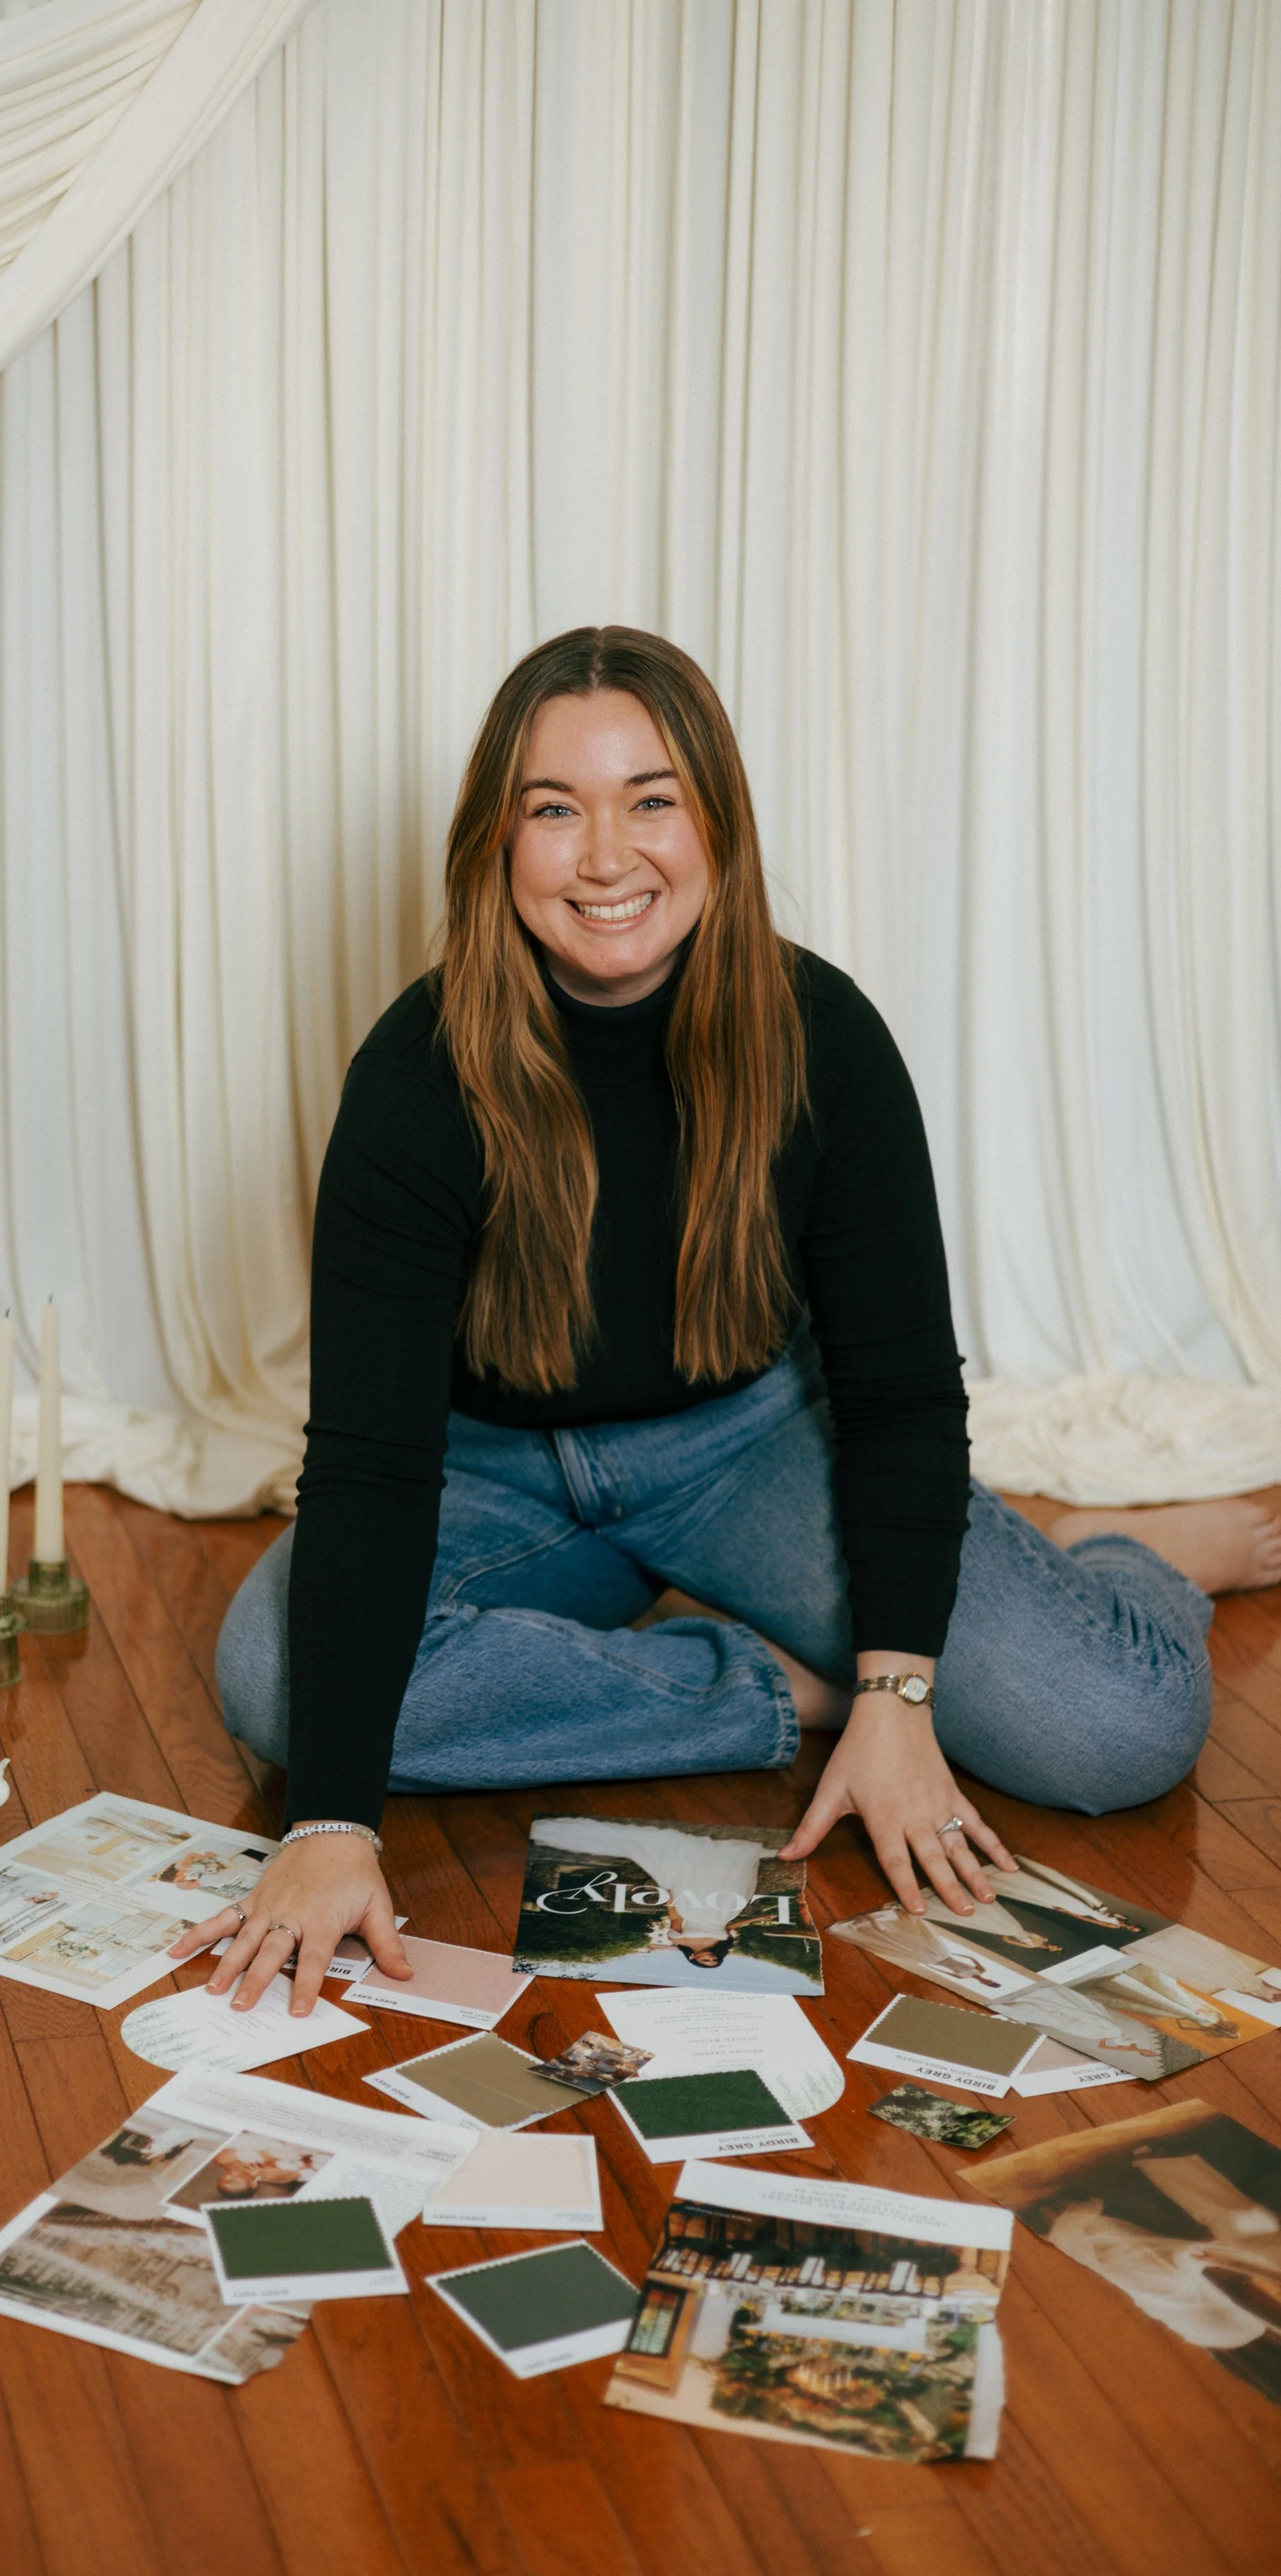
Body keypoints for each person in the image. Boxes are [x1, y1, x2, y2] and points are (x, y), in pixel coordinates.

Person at [173, 627, 1281, 2015]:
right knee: (274, 1683)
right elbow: (370, 1465)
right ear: (493, 843)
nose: (604, 855)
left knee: (1118, 1727)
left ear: (714, 821)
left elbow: (892, 1393)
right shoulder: (413, 1077)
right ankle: (777, 1685)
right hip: (489, 1472)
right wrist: (330, 1825)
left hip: (743, 1447)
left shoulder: (823, 1036)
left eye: (650, 799)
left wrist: (898, 1693)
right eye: (552, 808)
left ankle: (1118, 1558)